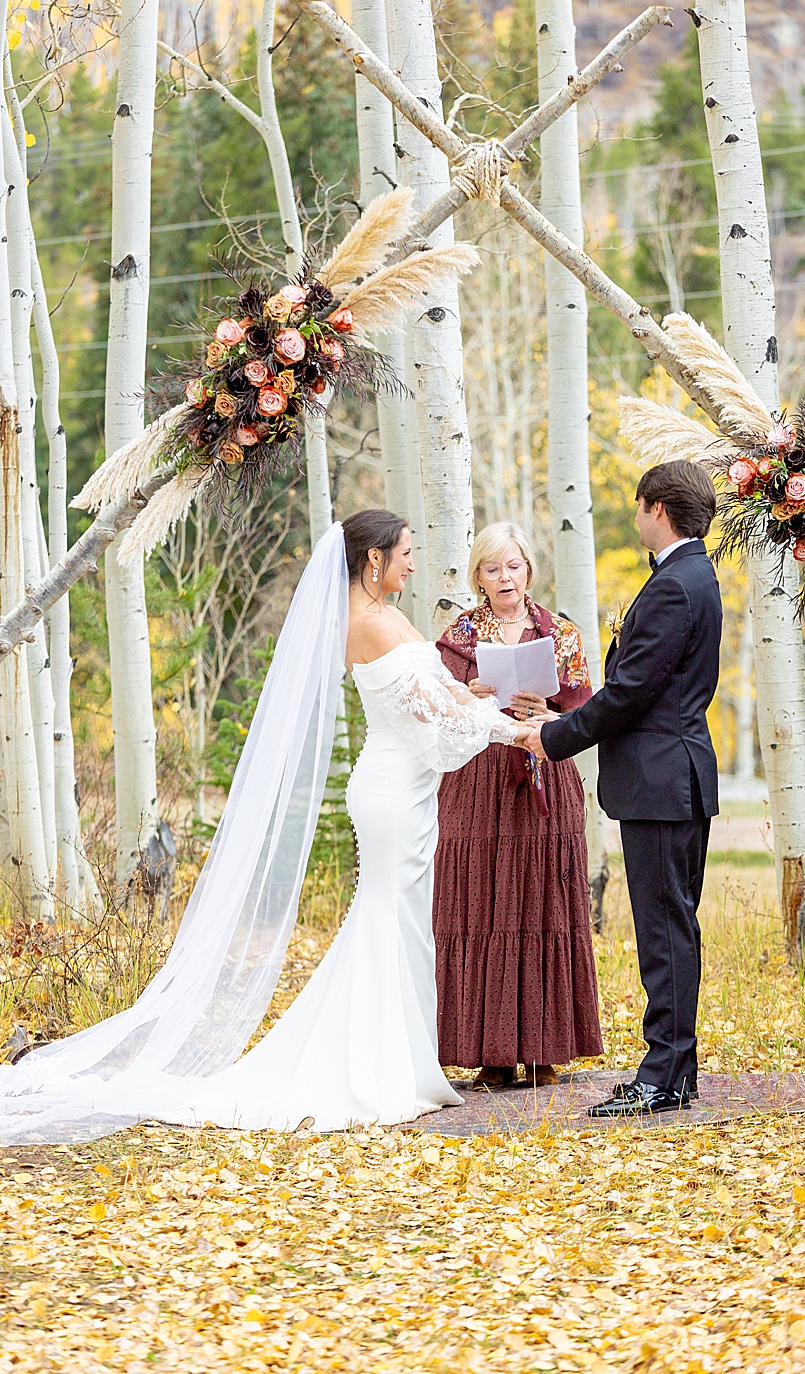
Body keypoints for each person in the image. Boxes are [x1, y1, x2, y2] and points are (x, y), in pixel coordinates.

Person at [0, 511, 527, 1143]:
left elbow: (448, 695)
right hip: (390, 788)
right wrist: (519, 730)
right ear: (373, 562)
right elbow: (432, 716)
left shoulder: (390, 617)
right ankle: (379, 1070)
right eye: (405, 553)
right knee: (387, 919)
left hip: (412, 791)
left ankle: (408, 1064)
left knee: (406, 921)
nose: (412, 563)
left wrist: (492, 700)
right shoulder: (366, 625)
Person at [523, 461, 722, 1118]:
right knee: (675, 925)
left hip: (661, 780)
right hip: (678, 773)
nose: (635, 518)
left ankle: (662, 1075)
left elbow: (633, 691)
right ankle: (678, 1071)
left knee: (664, 931)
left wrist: (555, 736)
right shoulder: (696, 575)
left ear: (658, 509)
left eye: (639, 508)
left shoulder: (673, 586)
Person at [434, 522, 603, 1091]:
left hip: (543, 774)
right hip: (479, 781)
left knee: (543, 903)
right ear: (477, 578)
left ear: (529, 568)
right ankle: (491, 1053)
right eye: (491, 569)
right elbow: (436, 710)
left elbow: (587, 714)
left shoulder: (561, 633)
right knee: (482, 903)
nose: (504, 578)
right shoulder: (459, 635)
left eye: (513, 566)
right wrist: (470, 694)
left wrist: (547, 711)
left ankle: (547, 1049)